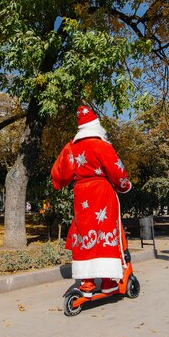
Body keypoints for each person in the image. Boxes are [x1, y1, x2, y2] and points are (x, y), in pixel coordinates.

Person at [51, 105, 132, 297]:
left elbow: (62, 173)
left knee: (84, 231)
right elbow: (116, 170)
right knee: (105, 230)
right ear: (97, 127)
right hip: (101, 192)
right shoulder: (102, 146)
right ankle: (107, 282)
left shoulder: (74, 147)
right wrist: (125, 185)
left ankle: (86, 283)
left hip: (81, 194)